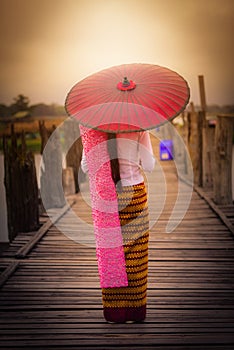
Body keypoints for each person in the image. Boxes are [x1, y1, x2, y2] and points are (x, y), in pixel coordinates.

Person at [81, 130, 155, 323]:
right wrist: (132, 160)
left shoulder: (94, 128)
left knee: (112, 253)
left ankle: (115, 311)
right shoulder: (139, 126)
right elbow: (150, 166)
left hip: (107, 195)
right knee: (136, 254)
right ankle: (135, 311)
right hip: (135, 193)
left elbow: (85, 167)